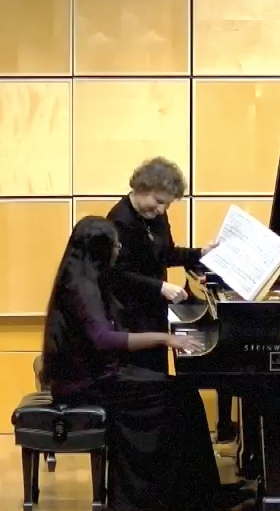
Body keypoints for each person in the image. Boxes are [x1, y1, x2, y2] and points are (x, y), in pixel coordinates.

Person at [40, 215, 222, 511]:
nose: (119, 249)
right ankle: (182, 499)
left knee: (182, 395)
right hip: (88, 386)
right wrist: (164, 339)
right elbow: (104, 339)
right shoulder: (82, 287)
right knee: (182, 398)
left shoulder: (83, 276)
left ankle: (195, 496)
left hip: (95, 375)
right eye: (115, 245)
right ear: (100, 249)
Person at [107, 156, 237, 441]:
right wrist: (160, 287)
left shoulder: (155, 217)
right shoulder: (119, 220)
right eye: (158, 201)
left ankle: (158, 448)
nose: (162, 209)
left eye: (167, 204)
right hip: (128, 317)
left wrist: (199, 253)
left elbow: (165, 253)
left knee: (158, 384)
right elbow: (117, 274)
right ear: (141, 187)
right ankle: (142, 447)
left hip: (152, 312)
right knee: (147, 391)